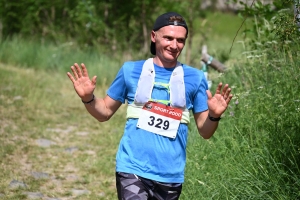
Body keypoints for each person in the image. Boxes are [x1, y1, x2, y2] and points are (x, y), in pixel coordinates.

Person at [67, 12, 233, 200]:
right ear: (154, 37)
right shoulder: (130, 70)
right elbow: (104, 112)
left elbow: (205, 131)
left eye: (180, 40)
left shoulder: (195, 78)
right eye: (168, 38)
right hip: (132, 168)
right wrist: (88, 98)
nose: (174, 45)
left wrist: (214, 115)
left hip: (170, 175)